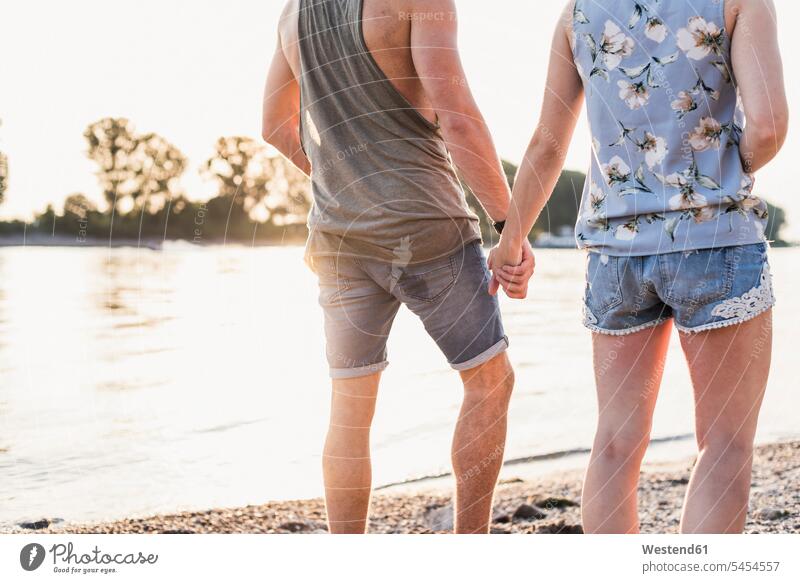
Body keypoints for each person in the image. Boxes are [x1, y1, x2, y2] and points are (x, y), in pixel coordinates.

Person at [491, 0, 788, 533]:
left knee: (613, 444)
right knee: (724, 444)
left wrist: (511, 241)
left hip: (615, 257)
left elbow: (547, 141)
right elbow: (768, 127)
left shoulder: (577, 15)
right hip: (715, 242)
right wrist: (716, 177)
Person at [262, 0, 534, 534]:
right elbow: (456, 117)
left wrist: (344, 178)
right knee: (488, 382)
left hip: (339, 236)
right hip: (426, 222)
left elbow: (274, 125)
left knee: (349, 408)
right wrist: (510, 224)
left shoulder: (293, 13)